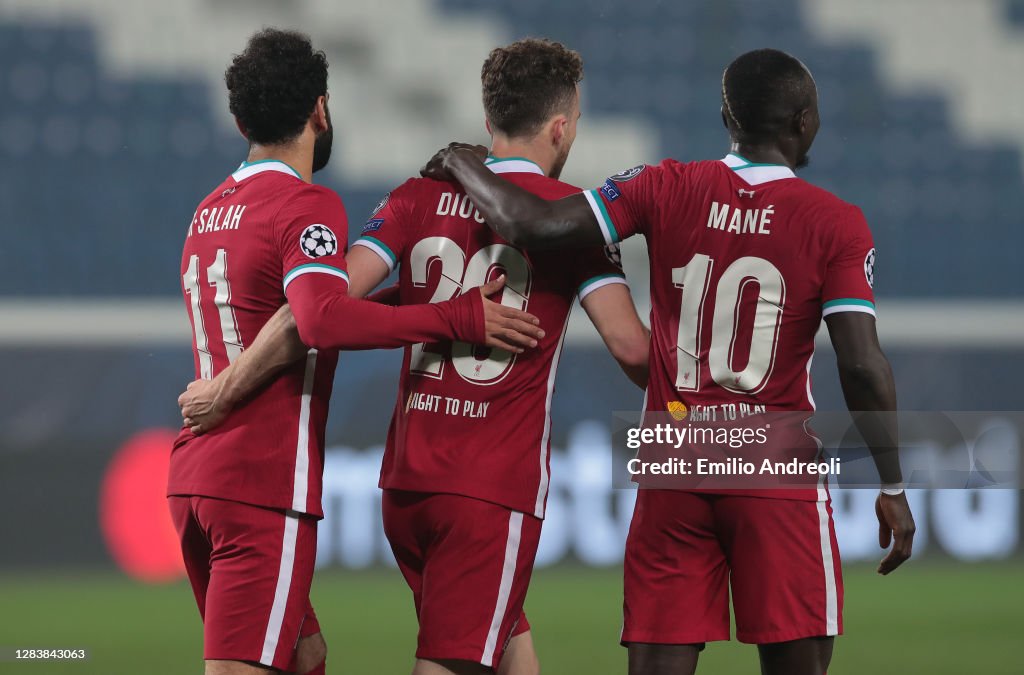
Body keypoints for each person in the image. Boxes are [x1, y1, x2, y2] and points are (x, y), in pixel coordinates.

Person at [419, 48, 916, 675]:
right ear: (805, 122)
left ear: (726, 117)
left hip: (675, 452)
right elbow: (862, 364)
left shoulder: (662, 184)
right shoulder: (836, 224)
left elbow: (531, 222)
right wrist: (892, 484)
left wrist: (466, 161)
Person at [178, 38, 650, 675]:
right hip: (489, 491)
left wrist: (226, 382)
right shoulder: (571, 224)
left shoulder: (414, 197)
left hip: (406, 487)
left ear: (489, 120)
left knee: (508, 653)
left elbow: (322, 298)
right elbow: (630, 347)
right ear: (562, 127)